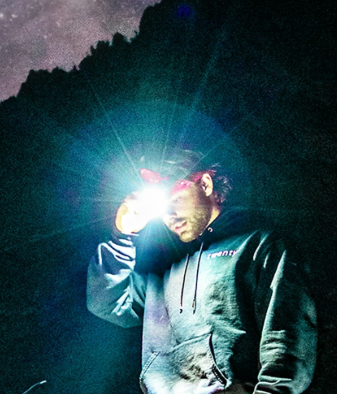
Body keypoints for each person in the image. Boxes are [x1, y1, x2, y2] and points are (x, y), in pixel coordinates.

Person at [87, 150, 317, 394]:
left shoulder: (258, 245)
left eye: (173, 200)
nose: (169, 216)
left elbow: (286, 341)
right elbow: (106, 302)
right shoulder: (162, 275)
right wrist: (123, 236)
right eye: (161, 209)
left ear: (205, 184)